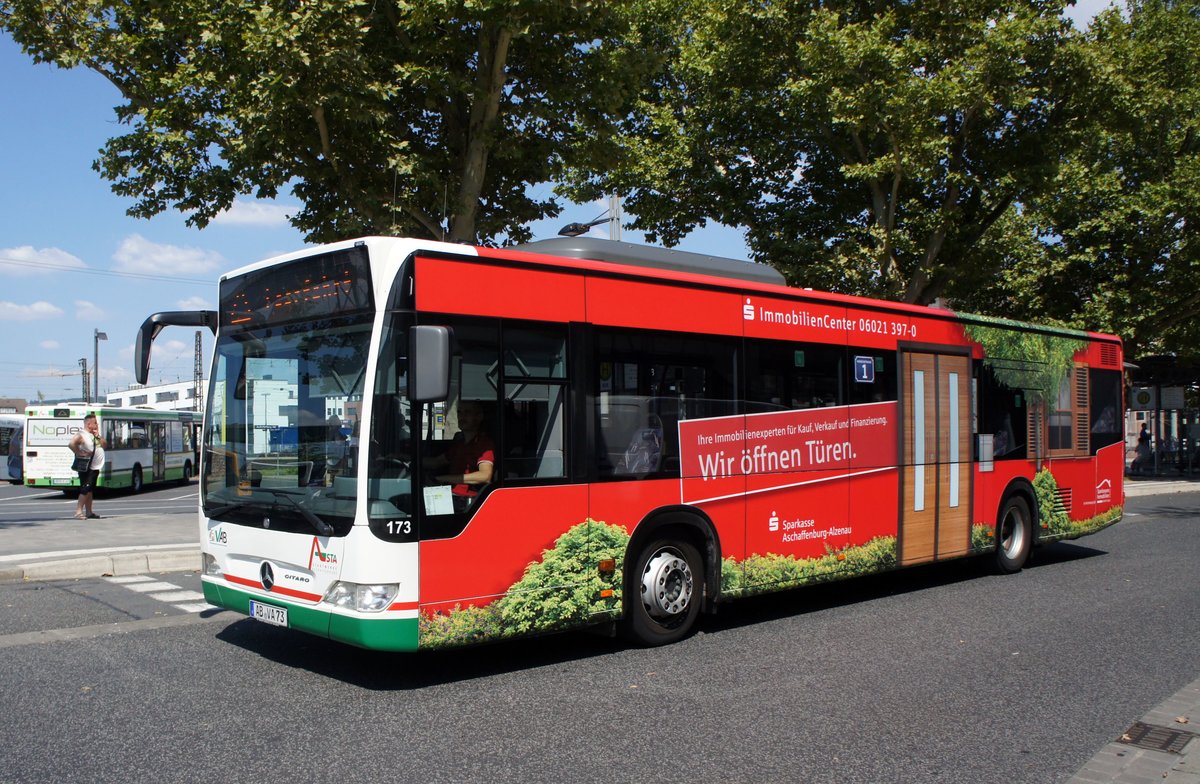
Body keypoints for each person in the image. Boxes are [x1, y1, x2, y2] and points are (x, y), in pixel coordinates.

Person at [427, 400, 494, 501]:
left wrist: (445, 478)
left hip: (469, 501)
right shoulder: (460, 443)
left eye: (467, 412)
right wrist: (403, 457)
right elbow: (436, 462)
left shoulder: (484, 444)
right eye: (459, 412)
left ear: (479, 417)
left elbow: (485, 476)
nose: (462, 417)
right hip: (450, 495)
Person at [69, 413, 106, 519]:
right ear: (89, 424)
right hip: (87, 466)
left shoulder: (95, 435)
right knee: (86, 488)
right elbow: (71, 444)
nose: (97, 424)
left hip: (95, 467)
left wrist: (98, 436)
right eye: (95, 423)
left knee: (90, 490)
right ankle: (78, 511)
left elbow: (105, 445)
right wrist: (80, 452)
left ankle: (89, 512)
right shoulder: (82, 434)